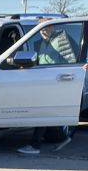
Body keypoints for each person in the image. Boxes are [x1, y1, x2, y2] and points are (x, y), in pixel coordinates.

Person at [17, 21, 80, 155]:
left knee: (44, 112)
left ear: (53, 27)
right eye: (41, 28)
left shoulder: (62, 40)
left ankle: (35, 145)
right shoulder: (37, 43)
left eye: (47, 27)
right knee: (48, 113)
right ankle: (63, 138)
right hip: (41, 81)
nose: (44, 30)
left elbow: (72, 59)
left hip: (58, 80)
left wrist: (79, 69)